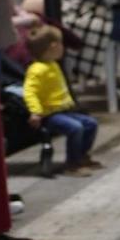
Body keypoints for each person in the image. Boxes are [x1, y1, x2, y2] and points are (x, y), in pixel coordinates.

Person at [23, 25, 101, 175]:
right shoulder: (37, 69)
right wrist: (36, 112)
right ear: (53, 46)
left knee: (90, 124)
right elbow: (30, 92)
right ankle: (72, 164)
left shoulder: (53, 65)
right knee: (75, 128)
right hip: (49, 114)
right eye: (61, 44)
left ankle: (81, 156)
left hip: (63, 110)